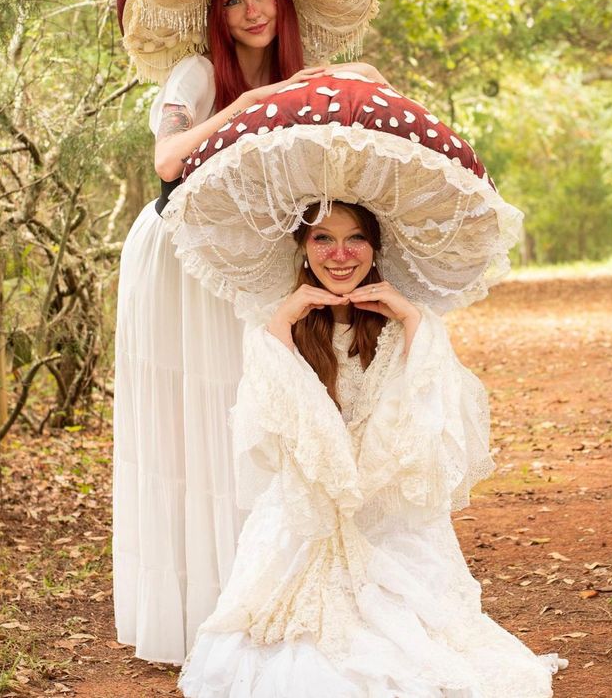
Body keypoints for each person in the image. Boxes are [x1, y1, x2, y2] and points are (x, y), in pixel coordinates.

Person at [113, 0, 385, 664]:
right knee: (198, 412)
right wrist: (238, 109)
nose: (251, 11)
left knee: (256, 409)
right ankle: (200, 603)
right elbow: (166, 160)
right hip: (180, 254)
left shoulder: (294, 74)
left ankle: (265, 587)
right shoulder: (198, 76)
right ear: (215, 13)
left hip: (248, 255)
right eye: (232, 0)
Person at [178, 201, 567, 696]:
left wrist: (408, 317)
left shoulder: (411, 324)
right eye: (322, 238)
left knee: (409, 642)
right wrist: (281, 325)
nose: (340, 254)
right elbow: (280, 428)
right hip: (310, 503)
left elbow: (422, 420)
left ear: (376, 247)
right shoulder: (279, 324)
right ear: (301, 247)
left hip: (385, 506)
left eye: (355, 239)